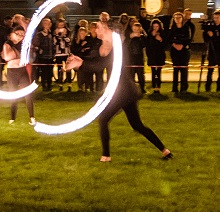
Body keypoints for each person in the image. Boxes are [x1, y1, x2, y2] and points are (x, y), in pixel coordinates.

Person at [64, 18, 172, 163]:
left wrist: (81, 64)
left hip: (123, 91)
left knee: (103, 119)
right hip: (122, 90)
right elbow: (94, 63)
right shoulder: (101, 45)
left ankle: (106, 156)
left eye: (99, 27)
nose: (96, 29)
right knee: (137, 125)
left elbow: (100, 65)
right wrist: (79, 61)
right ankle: (165, 151)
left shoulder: (117, 47)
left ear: (107, 29)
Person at [2, 24, 35, 124]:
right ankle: (12, 118)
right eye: (18, 34)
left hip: (22, 71)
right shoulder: (7, 43)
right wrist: (18, 55)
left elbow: (27, 57)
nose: (20, 36)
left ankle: (32, 118)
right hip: (12, 72)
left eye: (22, 34)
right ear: (13, 34)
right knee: (14, 95)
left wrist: (16, 54)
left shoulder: (24, 44)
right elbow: (7, 57)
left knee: (28, 95)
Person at [203, 10, 220, 92]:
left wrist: (214, 36)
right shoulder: (211, 27)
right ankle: (208, 86)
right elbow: (206, 38)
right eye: (214, 18)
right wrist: (207, 33)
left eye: (217, 17)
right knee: (210, 70)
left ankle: (219, 87)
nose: (216, 19)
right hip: (212, 51)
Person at [168, 12, 191, 93]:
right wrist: (174, 44)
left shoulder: (186, 28)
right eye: (176, 18)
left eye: (179, 17)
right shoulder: (171, 29)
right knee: (176, 69)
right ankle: (175, 88)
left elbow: (188, 39)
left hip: (184, 51)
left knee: (184, 69)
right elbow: (169, 39)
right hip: (174, 51)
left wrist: (182, 45)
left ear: (182, 19)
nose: (177, 19)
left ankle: (184, 87)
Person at [31, 16, 55, 91]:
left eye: (48, 23)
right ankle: (44, 86)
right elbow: (36, 44)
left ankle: (49, 85)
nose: (47, 25)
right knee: (44, 72)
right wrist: (39, 50)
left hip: (50, 56)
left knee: (50, 72)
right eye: (45, 23)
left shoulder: (52, 34)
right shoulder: (39, 34)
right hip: (43, 57)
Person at [145, 19, 167, 94]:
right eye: (154, 26)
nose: (155, 28)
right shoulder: (149, 34)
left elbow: (165, 45)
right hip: (152, 55)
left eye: (157, 26)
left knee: (159, 72)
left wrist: (160, 40)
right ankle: (154, 86)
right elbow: (147, 44)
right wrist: (152, 36)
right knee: (153, 72)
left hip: (160, 55)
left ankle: (158, 86)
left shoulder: (163, 33)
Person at [126, 20, 147, 91]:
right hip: (131, 57)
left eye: (137, 29)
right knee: (131, 74)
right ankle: (131, 89)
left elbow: (144, 45)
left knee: (140, 74)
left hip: (139, 57)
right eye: (134, 29)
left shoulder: (142, 37)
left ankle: (142, 89)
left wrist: (141, 37)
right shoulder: (129, 36)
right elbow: (126, 45)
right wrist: (130, 37)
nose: (136, 31)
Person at [53, 18, 71, 89]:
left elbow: (69, 41)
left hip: (66, 53)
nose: (60, 27)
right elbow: (54, 42)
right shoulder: (55, 32)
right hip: (58, 53)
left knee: (68, 67)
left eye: (62, 25)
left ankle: (69, 83)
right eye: (59, 25)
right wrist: (57, 36)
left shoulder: (68, 31)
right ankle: (60, 83)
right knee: (60, 68)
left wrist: (64, 36)